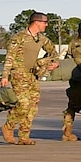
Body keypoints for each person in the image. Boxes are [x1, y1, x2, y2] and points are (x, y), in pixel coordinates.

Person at [3, 12, 58, 145]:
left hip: (33, 75)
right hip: (19, 74)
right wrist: (5, 75)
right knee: (23, 104)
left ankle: (24, 136)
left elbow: (53, 52)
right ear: (37, 22)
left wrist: (54, 62)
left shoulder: (41, 39)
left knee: (33, 106)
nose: (46, 25)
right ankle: (8, 126)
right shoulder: (20, 37)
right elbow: (10, 57)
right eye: (45, 22)